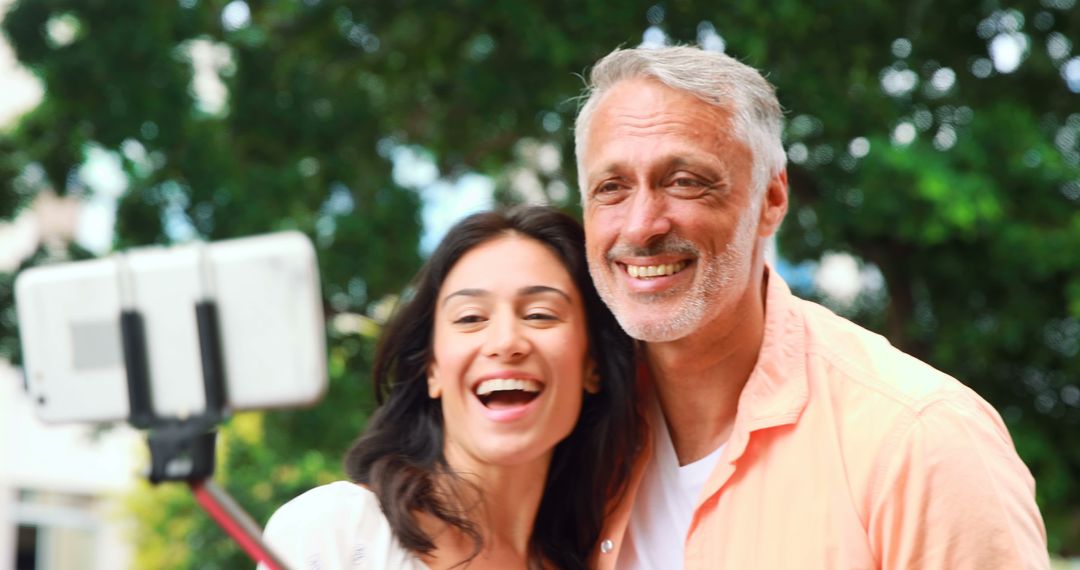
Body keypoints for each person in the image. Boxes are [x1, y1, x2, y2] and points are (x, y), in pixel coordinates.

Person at [575, 46, 1049, 569]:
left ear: (772, 200)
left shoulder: (919, 439)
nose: (642, 225)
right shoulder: (564, 434)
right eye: (611, 188)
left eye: (685, 181)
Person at [260, 206, 640, 569]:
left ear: (594, 366)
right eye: (471, 317)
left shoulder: (609, 559)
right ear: (432, 369)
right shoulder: (338, 530)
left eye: (540, 314)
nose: (505, 341)